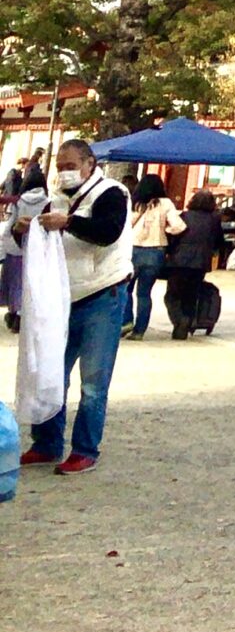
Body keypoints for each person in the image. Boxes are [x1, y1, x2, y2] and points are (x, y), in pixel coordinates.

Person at [18, 138, 132, 475]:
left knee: (94, 382)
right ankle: (47, 443)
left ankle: (85, 449)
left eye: (71, 166)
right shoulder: (55, 200)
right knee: (52, 372)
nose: (65, 173)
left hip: (103, 295)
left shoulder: (111, 193)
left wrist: (68, 222)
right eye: (60, 167)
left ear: (89, 164)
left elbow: (108, 232)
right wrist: (27, 228)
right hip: (62, 298)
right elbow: (35, 237)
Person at [163, 189, 229, 339]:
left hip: (178, 261)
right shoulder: (214, 219)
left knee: (172, 295)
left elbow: (173, 237)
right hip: (200, 262)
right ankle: (187, 319)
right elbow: (219, 241)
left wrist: (169, 252)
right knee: (191, 295)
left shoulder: (184, 217)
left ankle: (178, 319)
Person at [124, 173, 184, 339]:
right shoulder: (166, 203)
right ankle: (139, 331)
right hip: (156, 251)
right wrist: (166, 231)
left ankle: (126, 320)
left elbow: (126, 226)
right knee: (144, 293)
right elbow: (179, 226)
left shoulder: (136, 202)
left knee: (126, 289)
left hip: (134, 249)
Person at [2, 150, 48, 332]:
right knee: (31, 284)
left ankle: (14, 312)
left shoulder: (19, 202)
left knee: (15, 283)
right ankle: (24, 315)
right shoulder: (48, 202)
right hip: (38, 249)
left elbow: (11, 224)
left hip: (16, 248)